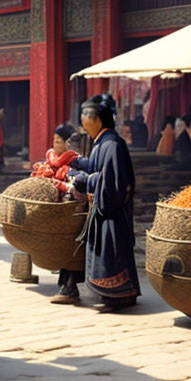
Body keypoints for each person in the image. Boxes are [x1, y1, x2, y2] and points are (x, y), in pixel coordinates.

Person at [69, 94, 140, 312]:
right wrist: (78, 163)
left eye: (84, 116)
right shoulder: (102, 143)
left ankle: (120, 295)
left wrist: (86, 180)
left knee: (113, 251)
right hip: (101, 208)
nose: (82, 121)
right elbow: (98, 166)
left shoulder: (113, 145)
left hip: (112, 211)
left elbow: (114, 183)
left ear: (97, 119)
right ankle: (112, 294)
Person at [32, 123, 85, 305]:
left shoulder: (76, 161)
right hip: (56, 211)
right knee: (62, 247)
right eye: (54, 141)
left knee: (70, 248)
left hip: (73, 210)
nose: (56, 144)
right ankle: (66, 285)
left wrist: (64, 186)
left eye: (60, 141)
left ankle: (70, 288)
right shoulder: (49, 160)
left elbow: (80, 187)